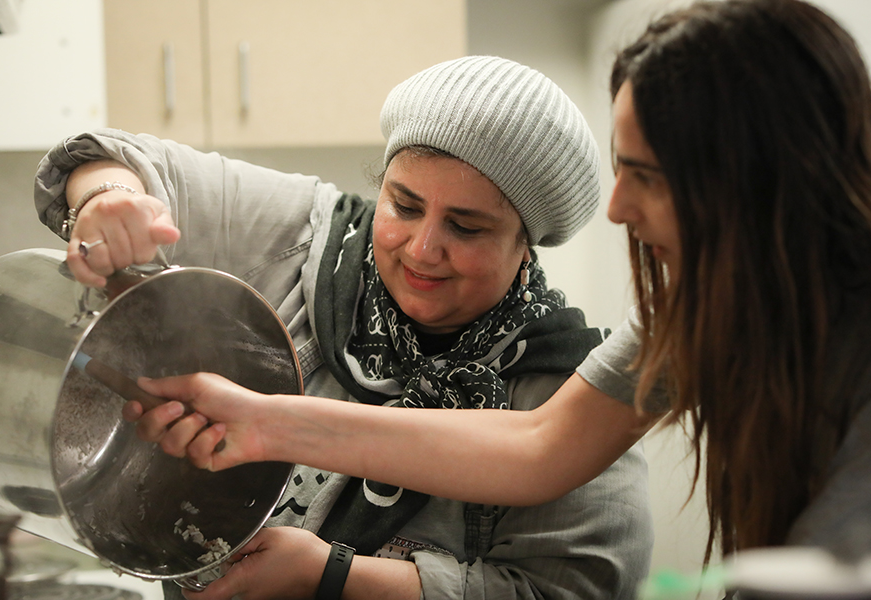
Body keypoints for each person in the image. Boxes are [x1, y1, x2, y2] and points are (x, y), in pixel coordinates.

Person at [127, 0, 871, 573]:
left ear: (750, 179)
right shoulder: (704, 303)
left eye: (644, 177)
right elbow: (540, 447)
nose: (617, 210)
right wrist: (266, 423)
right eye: (405, 204)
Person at [34, 57, 654, 599]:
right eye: (404, 205)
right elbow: (110, 156)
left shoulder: (571, 384)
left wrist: (333, 577)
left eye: (466, 227)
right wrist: (111, 201)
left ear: (527, 245)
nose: (421, 248)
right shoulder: (311, 237)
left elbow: (576, 588)